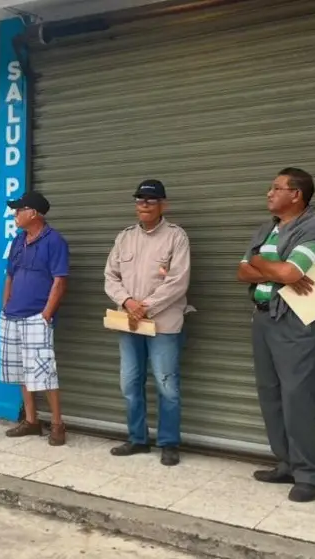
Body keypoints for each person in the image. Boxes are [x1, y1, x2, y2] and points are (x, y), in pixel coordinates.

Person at [237, 167, 315, 503]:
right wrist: (272, 267)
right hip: (264, 319)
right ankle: (287, 464)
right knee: (271, 395)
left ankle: (309, 474)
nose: (269, 192)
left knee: (298, 398)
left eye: (276, 188)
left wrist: (264, 265)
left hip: (297, 323)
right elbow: (241, 270)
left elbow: (291, 271)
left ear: (296, 195)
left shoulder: (314, 227)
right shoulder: (268, 228)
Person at [103, 180, 192, 466]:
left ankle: (168, 442)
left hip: (164, 323)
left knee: (167, 385)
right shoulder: (125, 237)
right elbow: (110, 276)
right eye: (139, 199)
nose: (143, 204)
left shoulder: (176, 237)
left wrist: (146, 306)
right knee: (130, 383)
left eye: (150, 200)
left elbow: (178, 281)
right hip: (130, 323)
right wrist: (129, 303)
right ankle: (138, 439)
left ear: (163, 204)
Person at [0, 191, 70, 446]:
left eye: (19, 210)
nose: (15, 214)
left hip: (36, 317)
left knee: (45, 372)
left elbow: (60, 281)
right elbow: (10, 275)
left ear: (34, 214)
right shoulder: (18, 241)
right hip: (12, 316)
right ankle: (31, 421)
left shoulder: (55, 242)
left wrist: (46, 315)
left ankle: (58, 425)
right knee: (20, 370)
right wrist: (5, 305)